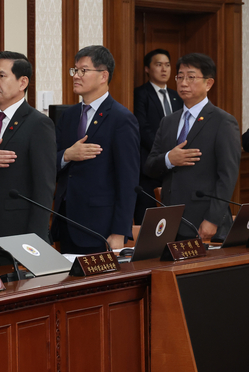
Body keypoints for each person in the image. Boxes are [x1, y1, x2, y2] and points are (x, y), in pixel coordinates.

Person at [0, 52, 57, 266]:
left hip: (20, 233)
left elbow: (43, 187)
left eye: (2, 76)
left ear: (22, 82)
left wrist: (36, 242)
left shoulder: (38, 124)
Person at [52, 45, 140, 254]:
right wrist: (66, 155)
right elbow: (50, 161)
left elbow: (128, 180)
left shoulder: (121, 119)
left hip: (100, 227)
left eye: (83, 70)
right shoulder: (68, 116)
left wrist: (120, 231)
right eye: (75, 70)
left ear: (103, 76)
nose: (76, 76)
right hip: (66, 221)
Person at [144, 53, 241, 241]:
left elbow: (227, 177)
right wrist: (168, 160)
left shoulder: (223, 121)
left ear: (209, 83)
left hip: (204, 222)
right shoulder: (168, 122)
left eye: (191, 77)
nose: (183, 83)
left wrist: (212, 219)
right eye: (180, 77)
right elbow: (150, 166)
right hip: (170, 222)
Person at [132, 49, 182, 224]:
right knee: (148, 218)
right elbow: (142, 127)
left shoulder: (176, 96)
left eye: (167, 65)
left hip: (174, 165)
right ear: (147, 69)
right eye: (158, 64)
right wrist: (164, 151)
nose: (164, 69)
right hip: (149, 165)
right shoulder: (140, 94)